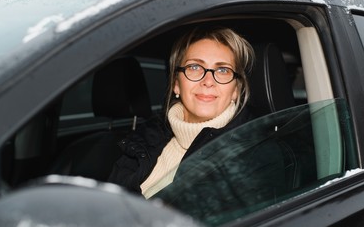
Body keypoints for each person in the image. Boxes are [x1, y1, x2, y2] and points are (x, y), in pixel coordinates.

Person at [108, 26, 256, 198]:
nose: (208, 81)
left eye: (223, 70)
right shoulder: (145, 138)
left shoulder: (254, 152)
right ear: (176, 84)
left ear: (236, 89)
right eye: (194, 67)